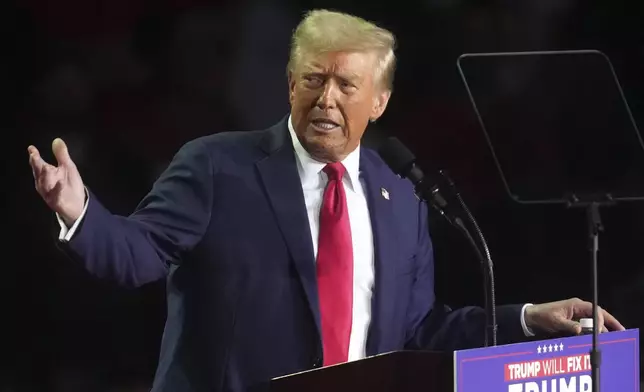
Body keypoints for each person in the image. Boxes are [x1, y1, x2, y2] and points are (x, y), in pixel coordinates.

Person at [28, 9, 624, 392]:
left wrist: (524, 319)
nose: (327, 99)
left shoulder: (402, 194)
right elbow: (137, 254)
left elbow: (418, 331)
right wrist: (80, 213)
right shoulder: (217, 166)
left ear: (379, 101)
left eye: (346, 85)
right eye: (313, 79)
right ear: (290, 84)